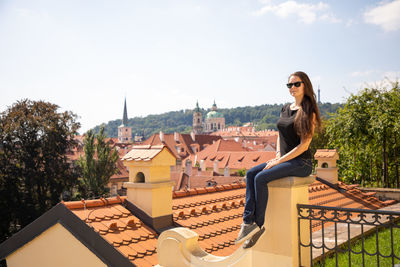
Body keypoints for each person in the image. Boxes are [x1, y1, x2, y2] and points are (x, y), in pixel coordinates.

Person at [235, 71, 321, 248]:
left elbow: (304, 145)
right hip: (284, 159)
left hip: (301, 162)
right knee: (251, 174)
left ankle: (258, 225)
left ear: (305, 85)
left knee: (261, 177)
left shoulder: (308, 111)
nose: (293, 88)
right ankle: (247, 222)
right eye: (290, 85)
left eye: (296, 84)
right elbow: (279, 134)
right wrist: (277, 155)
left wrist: (279, 162)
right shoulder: (285, 108)